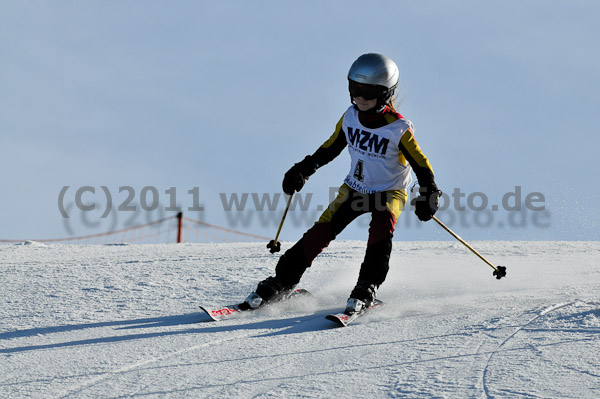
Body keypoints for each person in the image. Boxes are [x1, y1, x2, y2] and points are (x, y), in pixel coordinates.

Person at [241, 53, 441, 314]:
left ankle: (366, 287)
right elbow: (330, 148)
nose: (360, 97)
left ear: (384, 93)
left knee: (380, 233)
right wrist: (303, 170)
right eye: (355, 89)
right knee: (319, 232)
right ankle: (283, 281)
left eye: (368, 92)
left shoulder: (399, 128)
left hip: (389, 192)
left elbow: (421, 164)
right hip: (355, 189)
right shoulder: (350, 117)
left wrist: (429, 193)